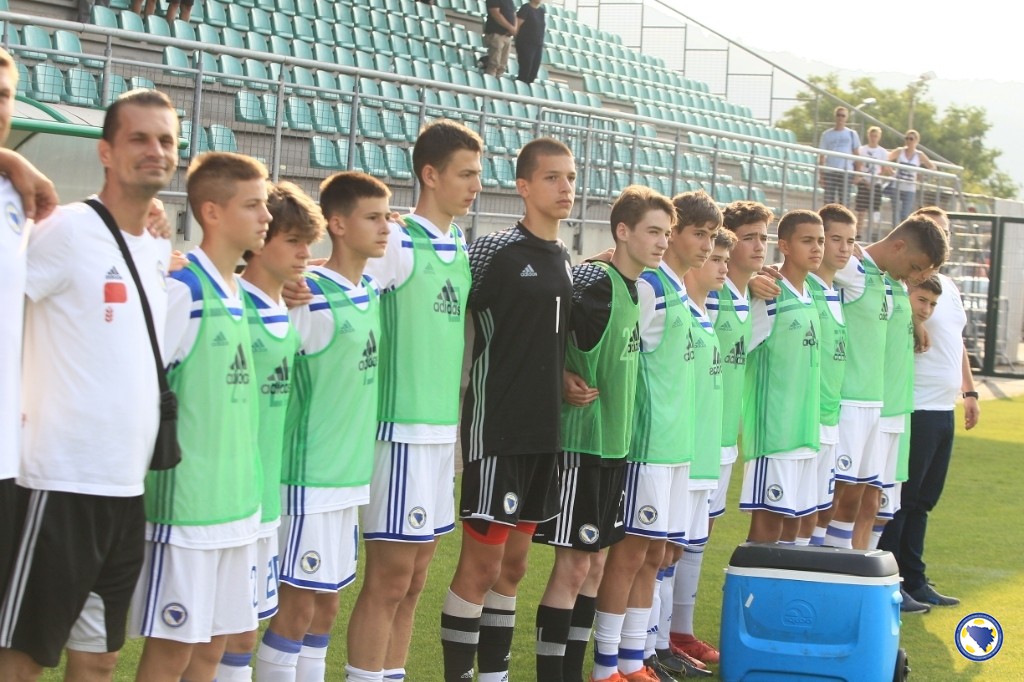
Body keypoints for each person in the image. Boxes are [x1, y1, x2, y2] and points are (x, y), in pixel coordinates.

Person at [0, 89, 178, 681]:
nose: (155, 151)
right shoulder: (67, 230)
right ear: (105, 151)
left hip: (126, 487)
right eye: (139, 138)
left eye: (166, 140)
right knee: (22, 658)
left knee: (99, 660)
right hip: (57, 482)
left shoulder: (158, 242)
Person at [344, 120, 481, 682]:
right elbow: (346, 286)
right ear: (430, 174)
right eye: (465, 174)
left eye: (478, 174)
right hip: (398, 432)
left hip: (440, 434)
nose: (476, 185)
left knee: (417, 579)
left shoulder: (458, 243)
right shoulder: (399, 241)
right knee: (390, 579)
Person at [131, 152, 272, 682]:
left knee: (214, 649)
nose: (265, 217)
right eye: (253, 205)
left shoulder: (237, 292)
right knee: (172, 653)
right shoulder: (183, 289)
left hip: (238, 506)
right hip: (186, 512)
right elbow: (139, 381)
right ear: (211, 212)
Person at [440, 138, 574, 682]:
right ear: (523, 186)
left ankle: (494, 675)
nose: (565, 187)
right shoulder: (495, 251)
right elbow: (444, 300)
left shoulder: (565, 257)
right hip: (497, 430)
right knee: (482, 565)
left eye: (570, 177)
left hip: (545, 433)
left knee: (514, 568)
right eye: (552, 178)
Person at [253, 172, 389, 681]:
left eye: (386, 216)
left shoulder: (369, 288)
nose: (385, 227)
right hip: (307, 478)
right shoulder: (308, 297)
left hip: (348, 479)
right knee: (296, 608)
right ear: (338, 224)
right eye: (373, 217)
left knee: (326, 607)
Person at [533, 185, 672, 682]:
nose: (662, 242)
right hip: (581, 445)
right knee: (573, 568)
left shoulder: (636, 289)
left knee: (593, 568)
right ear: (623, 232)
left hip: (615, 447)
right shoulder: (594, 281)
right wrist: (557, 377)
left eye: (666, 233)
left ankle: (577, 673)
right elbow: (535, 327)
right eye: (653, 231)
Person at [589, 190, 716, 682]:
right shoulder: (649, 287)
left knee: (651, 556)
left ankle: (632, 661)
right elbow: (615, 351)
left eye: (711, 236)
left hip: (676, 447)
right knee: (630, 555)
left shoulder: (677, 289)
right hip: (646, 445)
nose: (705, 245)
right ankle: (606, 667)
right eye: (697, 234)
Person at [216, 182, 324, 681]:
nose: (305, 253)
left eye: (308, 243)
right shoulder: (234, 304)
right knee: (224, 635)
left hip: (264, 497)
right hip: (226, 498)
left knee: (243, 629)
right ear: (259, 240)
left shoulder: (285, 304)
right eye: (293, 241)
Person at [663, 200, 774, 669]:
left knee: (696, 540)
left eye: (763, 238)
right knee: (668, 543)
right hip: (690, 439)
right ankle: (655, 640)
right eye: (749, 237)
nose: (758, 247)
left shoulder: (752, 298)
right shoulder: (707, 290)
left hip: (724, 438)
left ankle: (678, 632)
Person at [819, 216, 949, 553]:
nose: (917, 277)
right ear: (899, 246)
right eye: (916, 267)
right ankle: (817, 567)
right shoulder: (855, 267)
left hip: (877, 406)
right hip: (847, 403)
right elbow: (806, 261)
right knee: (832, 498)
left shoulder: (891, 282)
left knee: (859, 500)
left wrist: (914, 322)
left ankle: (846, 569)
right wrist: (765, 275)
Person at [879, 207, 978, 610]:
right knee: (902, 500)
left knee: (924, 500)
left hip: (943, 406)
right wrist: (912, 316)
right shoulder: (905, 281)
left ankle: (916, 580)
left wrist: (969, 391)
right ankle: (893, 582)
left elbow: (957, 340)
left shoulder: (945, 286)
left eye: (946, 231)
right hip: (914, 404)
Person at [739, 210, 824, 543]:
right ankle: (747, 579)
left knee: (796, 525)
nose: (816, 248)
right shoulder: (769, 295)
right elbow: (738, 351)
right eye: (807, 241)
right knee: (768, 526)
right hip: (774, 434)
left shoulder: (811, 293)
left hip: (805, 431)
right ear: (785, 246)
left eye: (820, 241)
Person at [785, 204, 855, 546]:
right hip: (804, 420)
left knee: (818, 511)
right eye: (834, 239)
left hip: (830, 416)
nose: (843, 248)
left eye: (850, 241)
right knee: (793, 516)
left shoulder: (833, 291)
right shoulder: (803, 288)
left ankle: (809, 571)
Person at [888, 130, 936, 223]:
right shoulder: (900, 151)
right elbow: (887, 158)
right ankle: (895, 232)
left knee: (905, 214)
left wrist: (922, 175)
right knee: (895, 213)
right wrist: (891, 172)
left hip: (910, 188)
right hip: (897, 186)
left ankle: (904, 232)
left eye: (911, 139)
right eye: (906, 138)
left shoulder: (919, 154)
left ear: (916, 141)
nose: (908, 141)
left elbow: (932, 167)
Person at [817, 106, 861, 207]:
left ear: (846, 118)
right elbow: (822, 156)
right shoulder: (826, 134)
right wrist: (821, 175)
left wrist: (857, 174)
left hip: (846, 171)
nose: (840, 117)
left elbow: (857, 154)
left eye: (843, 115)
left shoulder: (852, 134)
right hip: (830, 171)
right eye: (838, 115)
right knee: (828, 201)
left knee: (844, 202)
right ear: (835, 116)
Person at [854, 126, 890, 230]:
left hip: (876, 183)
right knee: (861, 211)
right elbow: (858, 165)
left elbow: (884, 168)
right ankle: (858, 234)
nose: (873, 138)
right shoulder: (862, 150)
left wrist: (875, 180)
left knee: (875, 211)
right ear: (868, 136)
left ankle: (874, 233)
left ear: (879, 137)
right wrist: (863, 179)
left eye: (876, 136)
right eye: (872, 136)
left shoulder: (882, 152)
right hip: (863, 182)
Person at [483, 0, 518, 77]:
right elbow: (495, 13)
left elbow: (514, 14)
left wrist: (514, 28)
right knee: (493, 64)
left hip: (507, 36)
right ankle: (490, 81)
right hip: (496, 34)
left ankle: (498, 81)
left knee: (502, 66)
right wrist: (511, 28)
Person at [515, 0, 546, 84]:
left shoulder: (541, 11)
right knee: (525, 69)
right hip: (525, 43)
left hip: (538, 44)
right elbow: (517, 25)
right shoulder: (526, 8)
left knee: (534, 71)